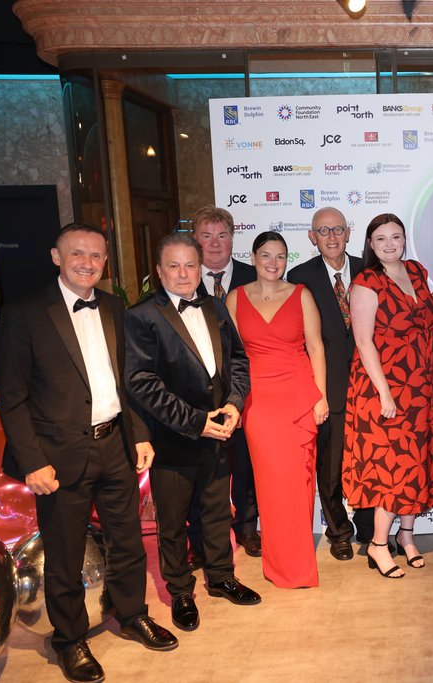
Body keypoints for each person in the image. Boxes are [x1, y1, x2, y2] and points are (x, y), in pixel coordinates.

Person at [0, 222, 177, 683]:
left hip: (115, 444)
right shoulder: (24, 313)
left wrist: (139, 435)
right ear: (56, 257)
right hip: (57, 456)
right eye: (77, 253)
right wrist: (33, 462)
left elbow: (128, 384)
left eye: (96, 255)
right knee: (64, 554)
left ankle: (132, 615)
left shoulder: (115, 306)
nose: (88, 263)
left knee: (128, 541)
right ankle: (70, 639)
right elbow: (12, 398)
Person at [125, 233, 261, 632]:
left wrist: (234, 403)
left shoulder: (215, 306)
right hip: (174, 438)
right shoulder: (141, 315)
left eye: (190, 265)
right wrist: (196, 423)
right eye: (174, 265)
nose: (183, 274)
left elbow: (238, 361)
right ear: (159, 270)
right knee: (172, 524)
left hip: (219, 432)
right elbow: (142, 383)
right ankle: (180, 591)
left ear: (200, 268)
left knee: (218, 512)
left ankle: (221, 578)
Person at [342, 214, 433, 579]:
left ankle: (406, 536)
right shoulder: (366, 281)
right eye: (381, 238)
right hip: (385, 390)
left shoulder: (416, 271)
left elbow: (430, 327)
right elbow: (363, 341)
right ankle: (378, 544)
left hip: (422, 388)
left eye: (396, 237)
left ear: (404, 240)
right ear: (370, 245)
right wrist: (385, 394)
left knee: (417, 465)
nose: (390, 244)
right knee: (394, 471)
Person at [224, 231, 328, 587]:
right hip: (258, 402)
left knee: (298, 484)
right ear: (253, 258)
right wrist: (234, 402)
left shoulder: (301, 295)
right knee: (270, 486)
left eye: (280, 256)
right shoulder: (235, 298)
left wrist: (321, 396)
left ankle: (298, 565)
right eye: (266, 255)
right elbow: (231, 356)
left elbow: (316, 347)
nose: (273, 262)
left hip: (297, 397)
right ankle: (279, 564)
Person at [287, 206, 376, 561]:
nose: (332, 237)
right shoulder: (299, 277)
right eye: (323, 231)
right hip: (328, 386)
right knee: (331, 466)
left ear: (349, 233)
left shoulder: (370, 269)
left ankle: (369, 530)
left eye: (338, 229)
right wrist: (315, 392)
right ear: (312, 237)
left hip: (370, 384)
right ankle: (338, 531)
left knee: (370, 460)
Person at [186, 204, 260, 567]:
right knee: (201, 469)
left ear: (233, 238)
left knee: (247, 461)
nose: (215, 243)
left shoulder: (255, 275)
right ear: (195, 240)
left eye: (222, 235)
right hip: (197, 395)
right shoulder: (181, 279)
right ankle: (199, 540)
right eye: (206, 236)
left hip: (248, 388)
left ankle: (247, 526)